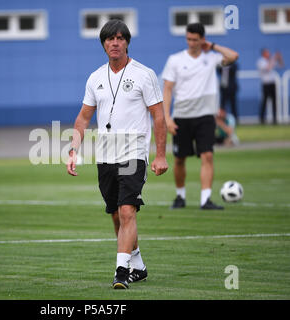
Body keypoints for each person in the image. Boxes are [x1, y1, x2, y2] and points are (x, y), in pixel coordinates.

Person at [66, 19, 168, 289]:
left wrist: (160, 155)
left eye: (120, 38)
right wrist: (73, 150)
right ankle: (137, 263)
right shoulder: (95, 77)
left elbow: (159, 117)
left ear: (127, 43)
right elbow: (82, 118)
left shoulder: (144, 74)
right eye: (110, 39)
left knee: (127, 211)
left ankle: (121, 272)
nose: (115, 42)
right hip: (105, 156)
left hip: (133, 153)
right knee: (116, 213)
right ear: (103, 44)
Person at [162, 22, 239, 210]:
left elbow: (233, 56)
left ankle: (206, 200)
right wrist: (167, 118)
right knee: (180, 159)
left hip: (205, 116)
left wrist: (212, 46)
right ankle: (180, 197)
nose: (191, 43)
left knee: (207, 156)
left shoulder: (211, 58)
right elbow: (167, 91)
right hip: (181, 116)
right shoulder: (175, 60)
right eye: (188, 39)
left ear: (202, 39)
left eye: (195, 39)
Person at [257, 48, 284, 124]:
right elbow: (268, 68)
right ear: (264, 53)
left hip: (272, 83)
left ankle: (274, 119)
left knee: (274, 102)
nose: (269, 53)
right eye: (267, 52)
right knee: (264, 102)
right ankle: (262, 119)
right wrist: (274, 58)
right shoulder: (261, 61)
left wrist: (279, 58)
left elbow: (281, 66)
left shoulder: (270, 60)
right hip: (265, 84)